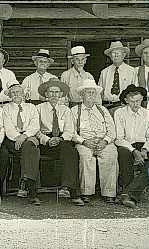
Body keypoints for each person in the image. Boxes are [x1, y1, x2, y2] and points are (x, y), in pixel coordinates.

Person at [35, 78, 84, 206]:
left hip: (62, 140)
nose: (54, 95)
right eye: (51, 92)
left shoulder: (66, 110)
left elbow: (70, 130)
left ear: (61, 95)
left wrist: (60, 138)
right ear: (46, 94)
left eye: (56, 92)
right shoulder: (38, 109)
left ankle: (67, 188)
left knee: (71, 150)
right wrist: (47, 140)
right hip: (45, 141)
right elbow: (35, 129)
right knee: (68, 150)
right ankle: (72, 191)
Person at [70, 79, 118, 204]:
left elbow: (112, 131)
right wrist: (83, 141)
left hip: (103, 141)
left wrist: (105, 141)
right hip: (85, 142)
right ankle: (86, 192)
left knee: (111, 154)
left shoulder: (103, 110)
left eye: (93, 93)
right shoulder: (75, 110)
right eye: (88, 92)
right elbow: (71, 132)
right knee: (85, 156)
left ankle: (109, 193)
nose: (91, 95)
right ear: (82, 95)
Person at [1, 81, 42, 205]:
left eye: (18, 91)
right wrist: (20, 137)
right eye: (13, 93)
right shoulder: (5, 108)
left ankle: (25, 183)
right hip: (12, 139)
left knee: (29, 147)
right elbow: (8, 129)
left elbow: (35, 125)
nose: (16, 94)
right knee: (31, 148)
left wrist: (25, 136)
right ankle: (31, 189)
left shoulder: (31, 107)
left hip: (27, 136)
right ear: (9, 96)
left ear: (23, 93)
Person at [114, 84, 149, 208]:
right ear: (126, 100)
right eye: (133, 101)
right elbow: (119, 138)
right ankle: (131, 194)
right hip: (126, 144)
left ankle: (127, 193)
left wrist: (145, 149)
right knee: (124, 154)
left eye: (139, 100)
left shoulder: (147, 114)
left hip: (144, 145)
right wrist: (134, 151)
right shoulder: (120, 113)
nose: (136, 104)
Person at [98, 41, 136, 111]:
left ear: (124, 55)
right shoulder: (104, 72)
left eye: (118, 53)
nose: (116, 55)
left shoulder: (131, 71)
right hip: (107, 107)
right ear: (110, 56)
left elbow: (134, 93)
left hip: (124, 107)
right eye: (113, 53)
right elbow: (99, 93)